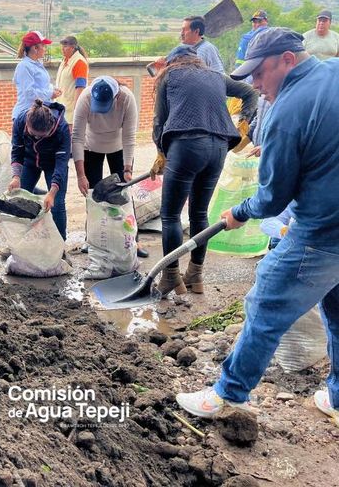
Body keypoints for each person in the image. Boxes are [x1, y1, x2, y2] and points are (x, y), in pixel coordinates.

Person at [176, 28, 339, 425]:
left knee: (265, 304)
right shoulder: (333, 71)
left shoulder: (287, 109)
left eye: (260, 73)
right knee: (336, 310)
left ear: (287, 59)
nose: (254, 84)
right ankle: (337, 398)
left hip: (322, 233)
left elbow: (272, 198)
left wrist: (240, 212)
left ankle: (229, 395)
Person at [150, 45, 257, 294]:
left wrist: (160, 152)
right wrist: (244, 122)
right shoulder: (215, 76)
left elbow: (160, 120)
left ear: (173, 61)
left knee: (171, 216)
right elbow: (250, 93)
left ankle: (170, 277)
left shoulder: (169, 75)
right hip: (218, 148)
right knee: (199, 214)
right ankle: (195, 276)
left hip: (186, 146)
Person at [72, 76, 148, 258]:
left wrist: (127, 169)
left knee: (123, 194)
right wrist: (81, 175)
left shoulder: (127, 99)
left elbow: (129, 137)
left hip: (118, 148)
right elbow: (77, 137)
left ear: (115, 96)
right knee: (93, 195)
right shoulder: (85, 98)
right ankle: (92, 239)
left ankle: (132, 240)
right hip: (91, 147)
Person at [9, 99, 70, 241]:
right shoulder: (20, 121)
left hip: (53, 163)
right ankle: (21, 240)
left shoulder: (62, 129)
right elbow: (17, 151)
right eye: (33, 134)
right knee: (21, 200)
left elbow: (61, 164)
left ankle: (60, 244)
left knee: (57, 204)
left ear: (51, 127)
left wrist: (52, 192)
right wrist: (16, 176)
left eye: (41, 136)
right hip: (29, 161)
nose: (36, 138)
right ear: (27, 124)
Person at [11, 31, 61, 120]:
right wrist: (50, 94)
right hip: (26, 116)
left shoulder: (35, 64)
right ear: (35, 48)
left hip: (36, 115)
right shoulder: (24, 66)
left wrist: (52, 89)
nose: (45, 49)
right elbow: (29, 93)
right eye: (43, 46)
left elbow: (41, 86)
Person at [55, 35, 89, 127]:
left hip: (70, 113)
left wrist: (77, 109)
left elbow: (80, 87)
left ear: (73, 47)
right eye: (62, 46)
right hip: (61, 109)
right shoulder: (65, 61)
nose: (62, 49)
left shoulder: (79, 62)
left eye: (65, 46)